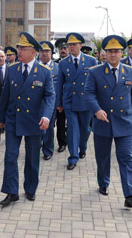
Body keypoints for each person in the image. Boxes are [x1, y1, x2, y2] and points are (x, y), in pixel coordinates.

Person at [84, 35, 132, 209]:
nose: (113, 54)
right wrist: (96, 110)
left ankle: (130, 194)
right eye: (109, 51)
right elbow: (88, 94)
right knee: (102, 157)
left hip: (125, 122)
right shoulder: (95, 72)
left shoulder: (131, 72)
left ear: (121, 53)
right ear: (105, 53)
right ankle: (103, 182)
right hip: (103, 122)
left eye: (116, 51)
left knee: (126, 157)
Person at [0, 32, 55, 206]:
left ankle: (30, 189)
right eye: (18, 48)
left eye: (23, 48)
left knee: (32, 158)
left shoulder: (44, 72)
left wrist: (46, 116)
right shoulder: (12, 69)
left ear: (33, 52)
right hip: (14, 119)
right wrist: (0, 118)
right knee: (10, 156)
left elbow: (50, 96)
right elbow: (5, 95)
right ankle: (11, 191)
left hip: (34, 120)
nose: (19, 51)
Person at [56, 32, 97, 170]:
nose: (71, 47)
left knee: (85, 129)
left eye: (74, 44)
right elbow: (59, 84)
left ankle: (83, 147)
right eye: (70, 45)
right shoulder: (63, 63)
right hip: (70, 102)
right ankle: (73, 157)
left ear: (81, 45)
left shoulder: (91, 61)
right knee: (73, 130)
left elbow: (95, 84)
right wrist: (59, 103)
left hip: (85, 102)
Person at [38, 41, 59, 160]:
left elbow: (60, 87)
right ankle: (36, 147)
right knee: (36, 127)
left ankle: (47, 150)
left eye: (47, 51)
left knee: (49, 128)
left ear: (51, 53)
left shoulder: (57, 68)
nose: (44, 53)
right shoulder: (35, 66)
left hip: (50, 104)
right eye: (42, 51)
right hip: (35, 103)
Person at [53, 38, 68, 152]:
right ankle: (62, 143)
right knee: (61, 122)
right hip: (59, 98)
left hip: (71, 97)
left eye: (65, 48)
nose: (63, 50)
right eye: (60, 48)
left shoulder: (73, 63)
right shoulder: (56, 64)